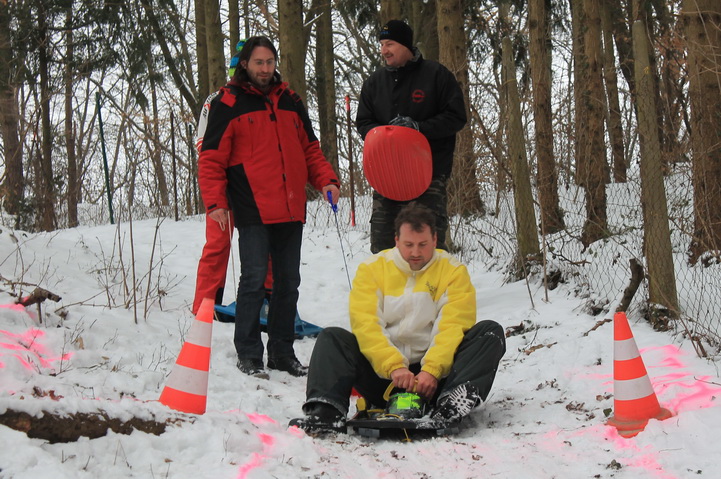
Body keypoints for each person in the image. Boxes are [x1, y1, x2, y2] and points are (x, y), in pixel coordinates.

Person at [289, 203, 505, 433]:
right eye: (408, 245)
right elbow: (367, 325)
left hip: (436, 381)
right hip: (385, 378)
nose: (415, 253)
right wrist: (394, 367)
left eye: (423, 245)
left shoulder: (453, 271)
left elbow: (453, 325)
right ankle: (325, 413)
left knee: (489, 332)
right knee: (332, 337)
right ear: (396, 241)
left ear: (434, 239)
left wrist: (431, 371)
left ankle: (451, 407)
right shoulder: (372, 269)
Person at [198, 36, 340, 379]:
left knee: (288, 283)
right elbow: (211, 158)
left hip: (290, 206)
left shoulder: (291, 101)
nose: (265, 68)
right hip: (252, 206)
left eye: (270, 62)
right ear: (245, 64)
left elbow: (310, 149)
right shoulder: (228, 102)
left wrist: (327, 180)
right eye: (258, 62)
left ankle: (281, 352)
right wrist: (216, 202)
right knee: (253, 280)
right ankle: (248, 354)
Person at [356, 19, 467, 254]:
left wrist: (418, 129)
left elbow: (456, 117)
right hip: (386, 176)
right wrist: (385, 135)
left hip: (428, 176)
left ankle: (430, 281)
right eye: (381, 44)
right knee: (384, 249)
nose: (384, 50)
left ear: (406, 45)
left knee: (428, 249)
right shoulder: (374, 83)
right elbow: (363, 123)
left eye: (390, 44)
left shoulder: (436, 75)